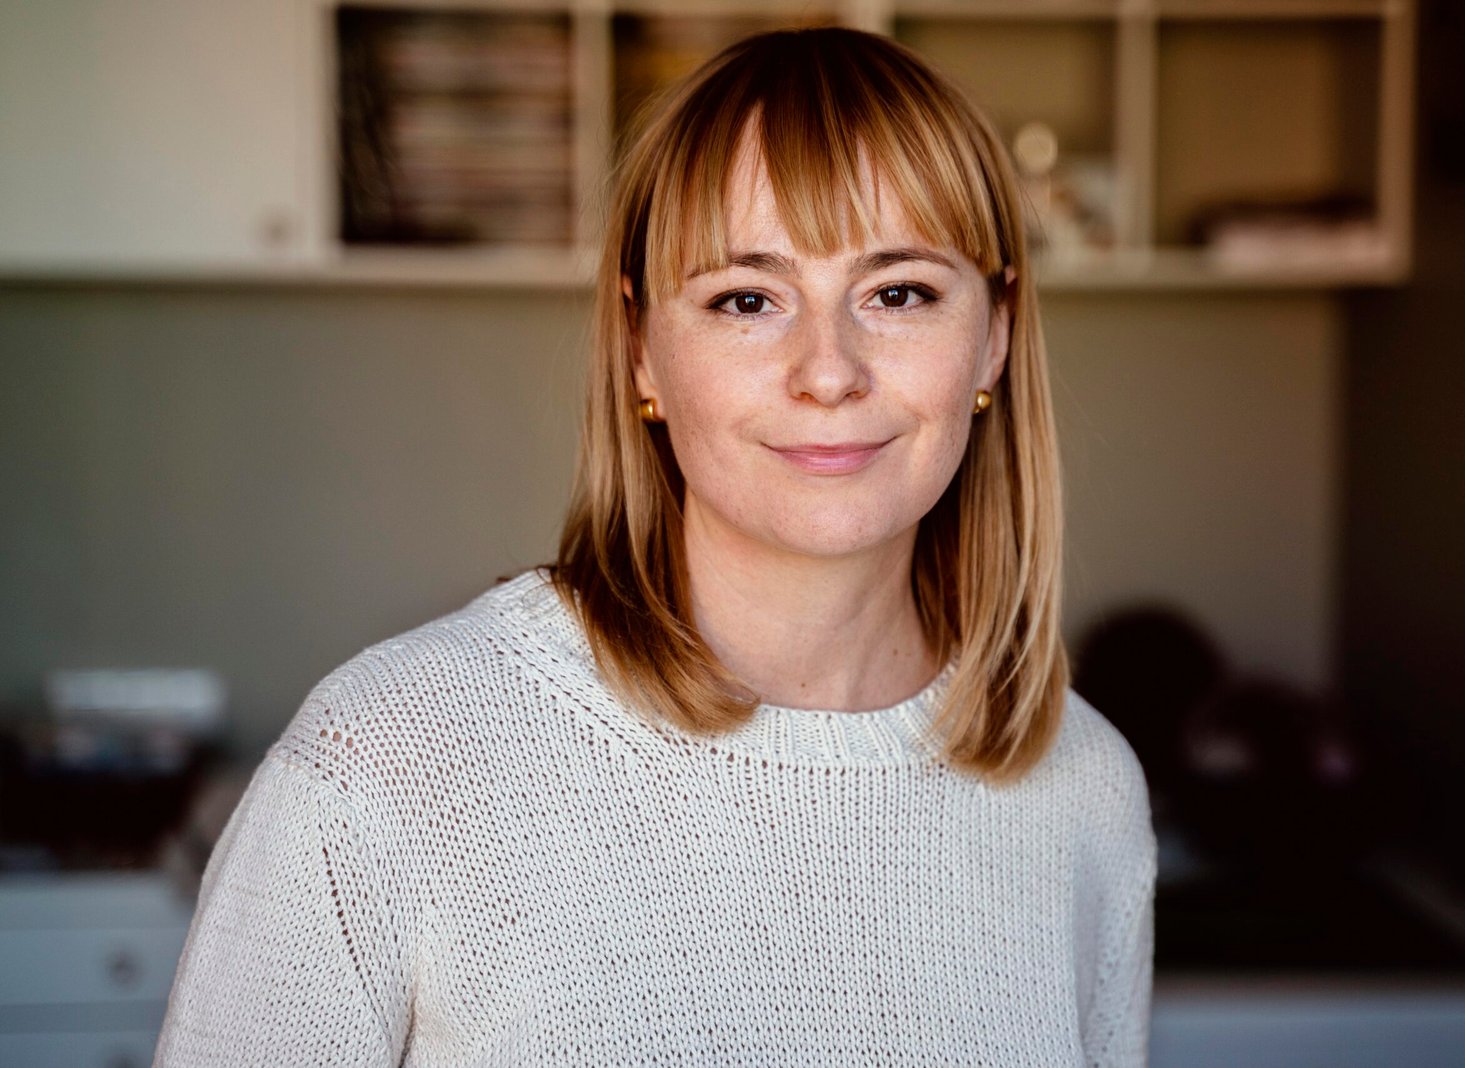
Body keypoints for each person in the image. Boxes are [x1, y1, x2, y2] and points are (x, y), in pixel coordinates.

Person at [156, 27, 1155, 1067]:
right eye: (746, 300)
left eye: (898, 293)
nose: (828, 371)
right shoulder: (391, 763)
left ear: (992, 333)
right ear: (641, 349)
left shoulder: (1082, 789)